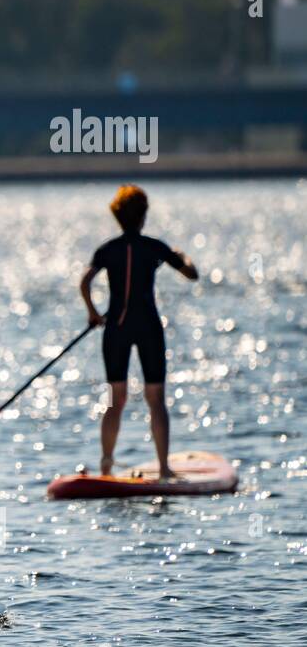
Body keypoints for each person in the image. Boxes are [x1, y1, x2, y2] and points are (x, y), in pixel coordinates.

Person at [80, 185, 198, 479]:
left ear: (118, 217)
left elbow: (85, 281)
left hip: (116, 327)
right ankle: (164, 467)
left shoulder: (107, 249)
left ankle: (106, 464)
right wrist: (181, 255)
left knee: (114, 399)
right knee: (156, 399)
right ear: (143, 216)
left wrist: (93, 313)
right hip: (148, 327)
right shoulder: (156, 247)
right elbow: (191, 274)